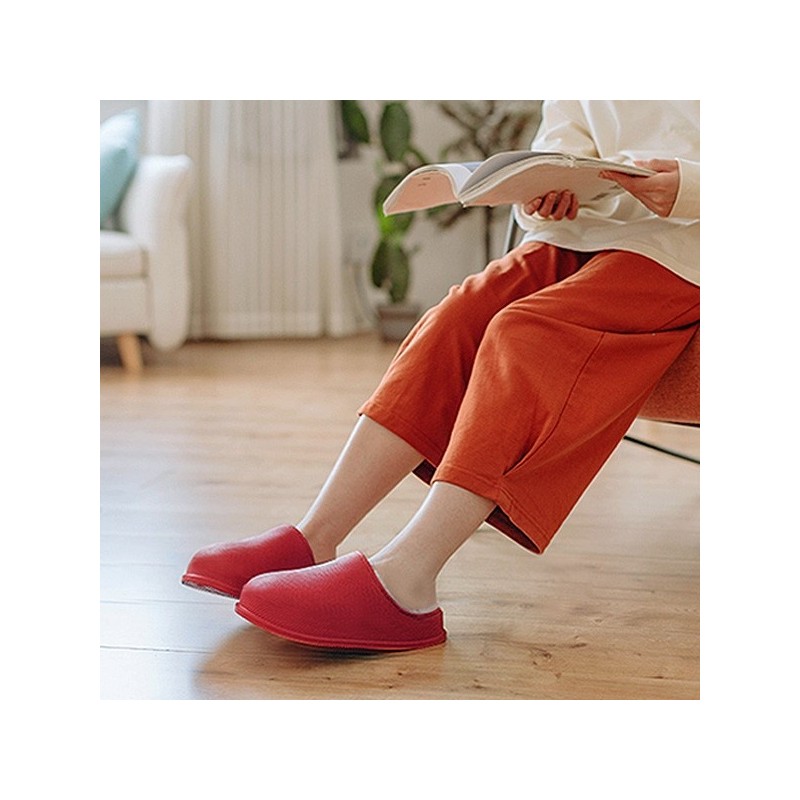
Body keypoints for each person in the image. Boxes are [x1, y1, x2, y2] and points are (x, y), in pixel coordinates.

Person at [182, 100, 700, 651]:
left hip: (690, 246)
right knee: (457, 319)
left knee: (526, 335)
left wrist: (692, 187)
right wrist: (546, 192)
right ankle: (315, 537)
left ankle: (407, 582)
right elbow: (565, 138)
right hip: (583, 233)